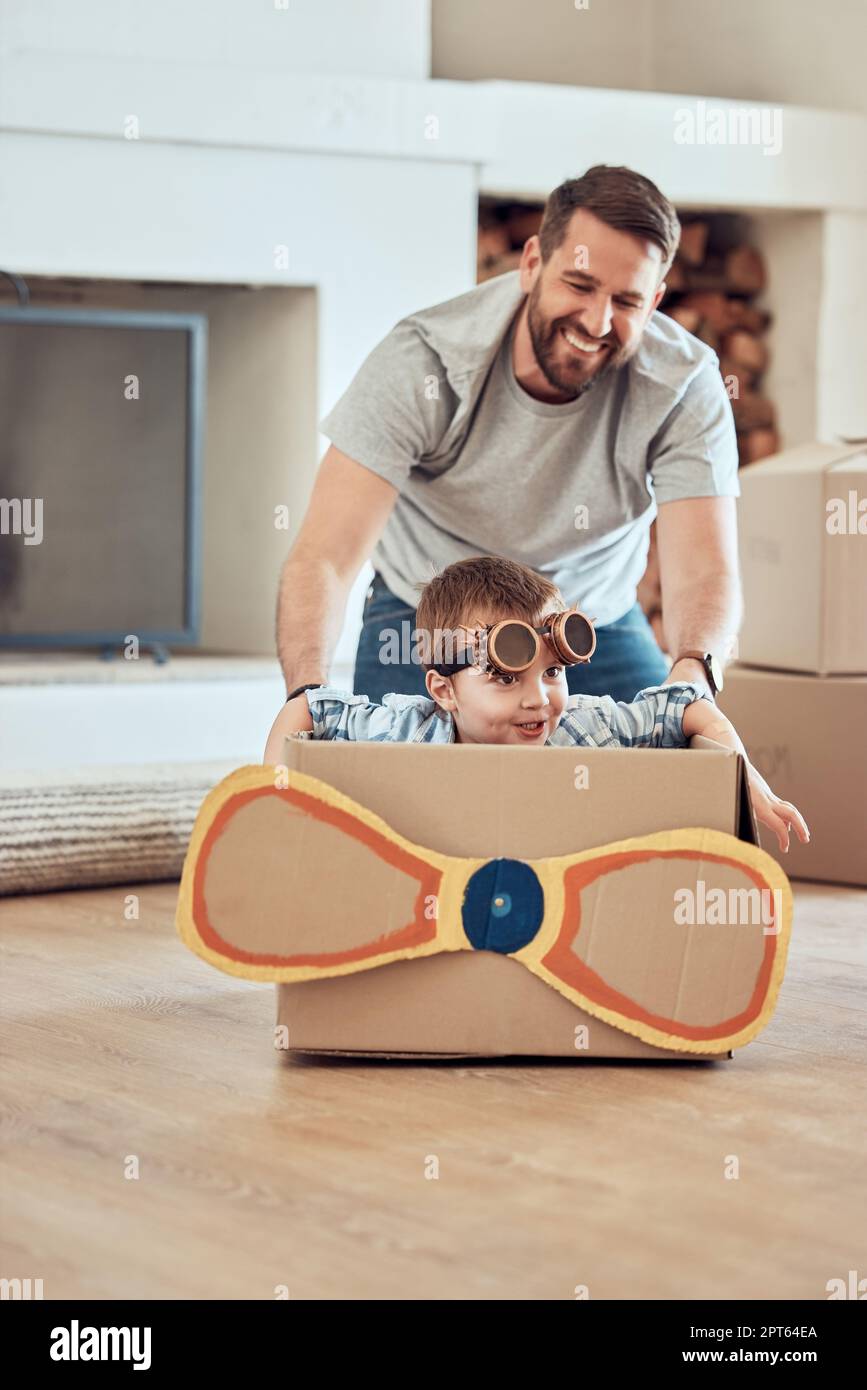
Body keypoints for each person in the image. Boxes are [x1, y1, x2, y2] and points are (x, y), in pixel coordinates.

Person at [275, 164, 741, 709]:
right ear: (532, 263)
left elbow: (707, 569)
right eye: (579, 284)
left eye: (627, 302)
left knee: (672, 769)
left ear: (656, 301)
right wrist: (304, 695)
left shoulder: (683, 383)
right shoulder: (425, 361)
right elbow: (325, 556)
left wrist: (694, 681)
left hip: (590, 621)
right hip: (432, 614)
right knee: (387, 783)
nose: (596, 321)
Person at [264, 557, 809, 856]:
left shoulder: (584, 727)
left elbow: (686, 704)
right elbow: (310, 706)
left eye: (552, 672)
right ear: (444, 690)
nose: (537, 699)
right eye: (505, 677)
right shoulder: (404, 733)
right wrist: (267, 800)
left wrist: (746, 781)